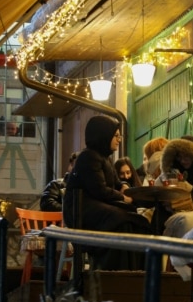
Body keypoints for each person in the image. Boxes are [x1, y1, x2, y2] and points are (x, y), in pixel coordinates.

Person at [64, 115, 152, 271]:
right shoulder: (89, 157)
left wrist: (123, 186)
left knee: (135, 218)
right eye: (116, 135)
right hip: (81, 211)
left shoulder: (104, 158)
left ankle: (133, 270)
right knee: (123, 219)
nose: (119, 139)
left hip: (96, 207)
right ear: (103, 135)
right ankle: (114, 271)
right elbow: (99, 190)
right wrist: (123, 197)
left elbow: (115, 183)